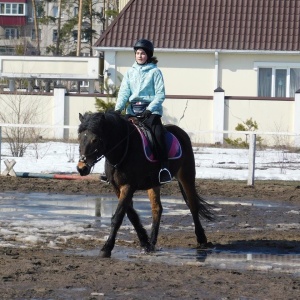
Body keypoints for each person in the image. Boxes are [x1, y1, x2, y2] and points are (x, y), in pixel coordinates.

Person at [114, 38, 172, 184]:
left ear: (148, 55)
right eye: (138, 53)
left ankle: (164, 168)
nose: (140, 55)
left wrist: (150, 109)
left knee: (158, 134)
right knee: (116, 135)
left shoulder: (155, 72)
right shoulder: (129, 72)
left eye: (143, 53)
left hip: (150, 111)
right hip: (132, 109)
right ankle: (111, 169)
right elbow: (124, 93)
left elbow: (160, 94)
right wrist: (117, 110)